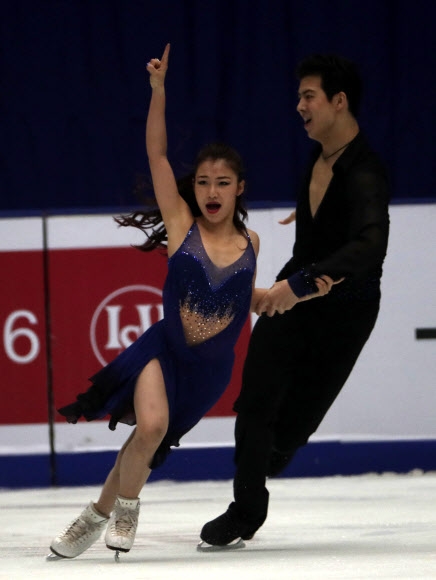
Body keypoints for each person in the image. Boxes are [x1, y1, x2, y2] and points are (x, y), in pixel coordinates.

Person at [48, 43, 273, 560]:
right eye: (204, 181)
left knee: (144, 442)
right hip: (164, 350)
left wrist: (272, 297)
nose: (211, 191)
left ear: (240, 188)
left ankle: (92, 518)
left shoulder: (252, 243)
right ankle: (126, 511)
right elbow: (157, 155)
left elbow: (235, 298)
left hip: (210, 372)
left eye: (223, 183)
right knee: (149, 427)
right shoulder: (181, 225)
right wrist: (158, 90)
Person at [199, 53, 390, 549]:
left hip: (346, 312)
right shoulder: (319, 156)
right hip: (297, 291)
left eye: (309, 96)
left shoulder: (365, 172)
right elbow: (330, 226)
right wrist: (310, 227)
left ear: (338, 101)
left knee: (287, 436)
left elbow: (371, 246)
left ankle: (270, 458)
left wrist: (301, 284)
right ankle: (246, 510)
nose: (300, 106)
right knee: (255, 400)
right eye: (299, 96)